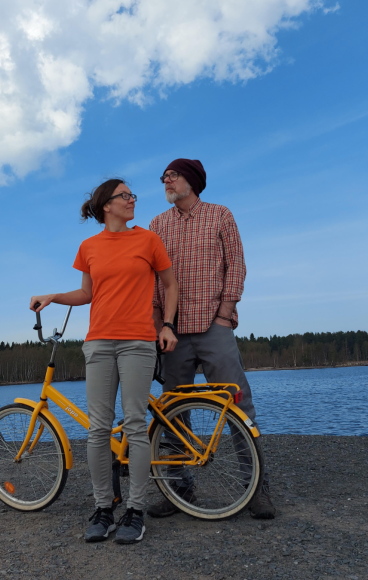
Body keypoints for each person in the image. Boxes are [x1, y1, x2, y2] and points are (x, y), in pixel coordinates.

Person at [30, 178, 178, 543]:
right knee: (97, 429)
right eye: (125, 196)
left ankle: (136, 510)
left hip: (138, 342)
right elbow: (87, 293)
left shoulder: (148, 240)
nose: (132, 200)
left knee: (134, 423)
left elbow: (170, 285)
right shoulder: (89, 246)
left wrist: (169, 325)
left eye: (132, 195)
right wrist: (53, 296)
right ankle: (103, 508)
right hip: (98, 344)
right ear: (106, 206)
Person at [148, 158, 276, 520]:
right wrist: (160, 324)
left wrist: (224, 313)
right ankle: (177, 487)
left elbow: (236, 263)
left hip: (213, 326)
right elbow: (153, 278)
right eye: (164, 178)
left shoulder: (220, 215)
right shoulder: (157, 224)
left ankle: (258, 489)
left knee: (238, 407)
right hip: (172, 333)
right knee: (172, 412)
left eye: (172, 176)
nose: (166, 182)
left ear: (191, 180)